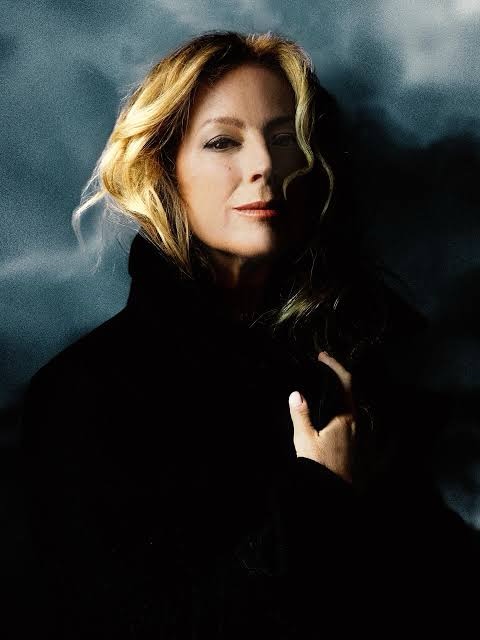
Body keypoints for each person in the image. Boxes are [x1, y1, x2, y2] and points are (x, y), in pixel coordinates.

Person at [19, 30, 475, 638]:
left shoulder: (356, 357)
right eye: (222, 142)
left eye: (285, 138)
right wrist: (321, 494)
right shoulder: (84, 394)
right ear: (162, 168)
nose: (264, 165)